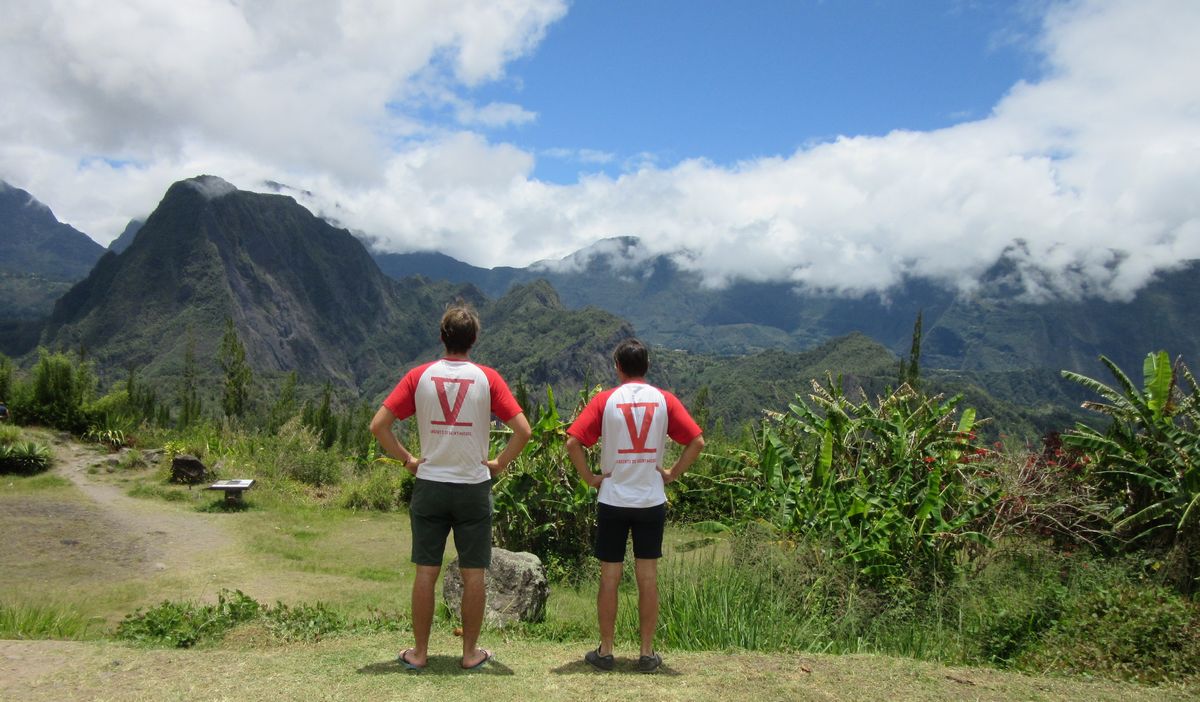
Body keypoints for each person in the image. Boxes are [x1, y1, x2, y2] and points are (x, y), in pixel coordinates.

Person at [369, 304, 531, 671]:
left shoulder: (419, 376)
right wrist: (499, 464)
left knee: (426, 571)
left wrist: (409, 460)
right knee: (474, 573)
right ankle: (470, 654)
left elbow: (379, 425)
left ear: (442, 337)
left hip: (430, 484)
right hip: (473, 486)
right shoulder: (487, 378)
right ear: (473, 340)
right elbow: (524, 430)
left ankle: (420, 653)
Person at [565, 338, 705, 673]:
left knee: (609, 577)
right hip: (650, 499)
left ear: (617, 367)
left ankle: (606, 651)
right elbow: (696, 441)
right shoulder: (664, 400)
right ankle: (646, 654)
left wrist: (590, 477)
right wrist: (670, 474)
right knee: (647, 577)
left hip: (613, 497)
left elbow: (573, 442)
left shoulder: (605, 400)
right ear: (646, 366)